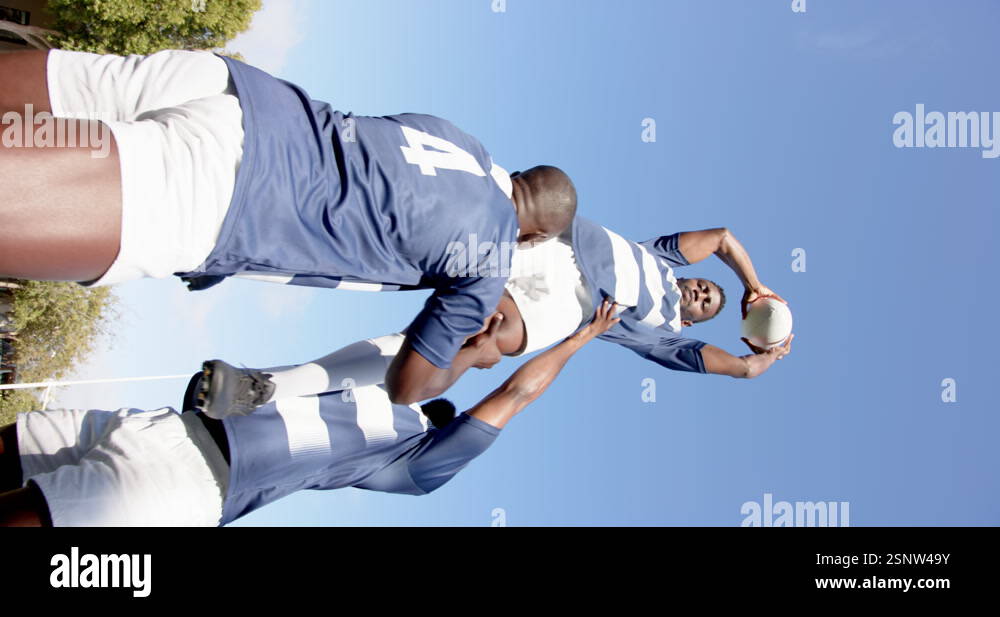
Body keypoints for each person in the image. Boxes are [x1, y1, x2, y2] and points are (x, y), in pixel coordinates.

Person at [0, 49, 577, 405]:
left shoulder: (458, 138)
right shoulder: (489, 259)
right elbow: (408, 386)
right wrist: (473, 358)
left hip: (228, 87)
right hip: (224, 191)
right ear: (535, 237)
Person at [0, 301, 620, 527]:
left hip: (180, 487)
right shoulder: (385, 365)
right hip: (162, 423)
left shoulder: (410, 462)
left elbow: (512, 396)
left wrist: (580, 338)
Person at [197, 220, 794, 418]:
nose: (699, 291)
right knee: (409, 244)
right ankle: (238, 250)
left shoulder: (667, 337)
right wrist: (753, 286)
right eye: (703, 285)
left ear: (694, 321)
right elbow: (722, 237)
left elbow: (743, 371)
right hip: (546, 242)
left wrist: (770, 351)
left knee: (449, 341)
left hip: (563, 304)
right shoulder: (662, 256)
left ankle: (270, 386)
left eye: (707, 302)